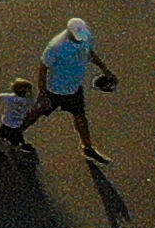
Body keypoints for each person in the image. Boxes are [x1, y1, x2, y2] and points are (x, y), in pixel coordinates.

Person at [34, 14, 115, 161]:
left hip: (74, 88)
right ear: (69, 32)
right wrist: (43, 93)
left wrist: (105, 69)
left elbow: (89, 52)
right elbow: (43, 69)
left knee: (80, 116)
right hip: (56, 89)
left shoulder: (85, 36)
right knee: (36, 112)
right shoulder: (56, 47)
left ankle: (87, 148)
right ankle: (12, 131)